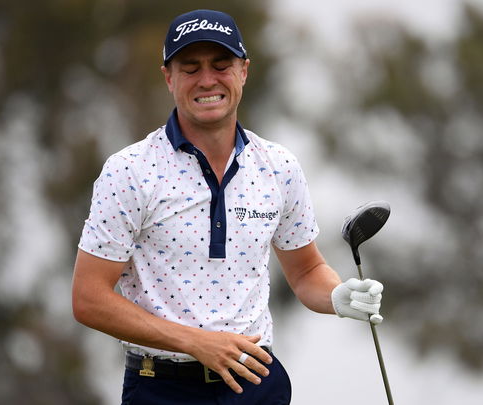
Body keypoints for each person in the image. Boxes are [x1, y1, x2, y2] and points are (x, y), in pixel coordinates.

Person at [72, 9, 384, 405]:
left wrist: (338, 295)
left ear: (244, 72)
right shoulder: (129, 172)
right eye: (190, 68)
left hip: (257, 382)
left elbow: (306, 271)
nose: (207, 80)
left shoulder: (278, 167)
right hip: (163, 388)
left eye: (221, 65)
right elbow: (88, 298)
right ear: (169, 77)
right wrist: (197, 342)